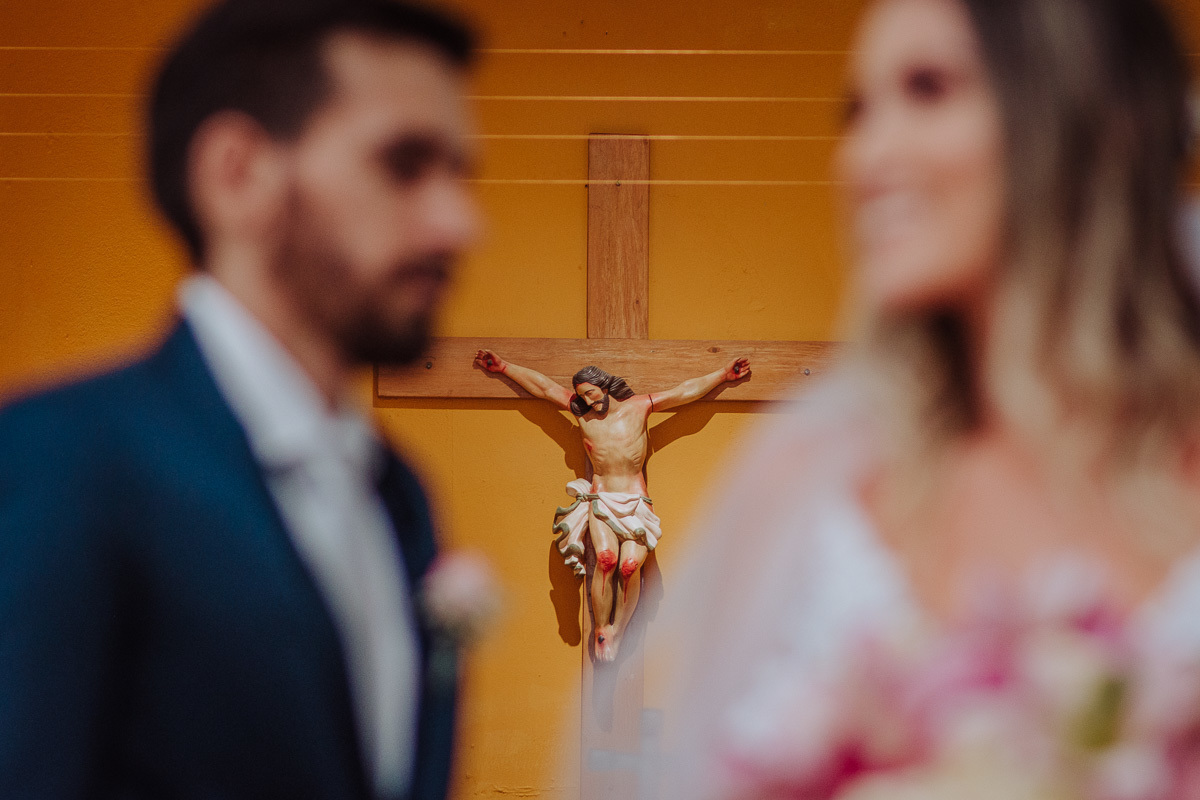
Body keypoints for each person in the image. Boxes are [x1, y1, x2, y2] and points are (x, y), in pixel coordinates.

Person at [658, 0, 1200, 797]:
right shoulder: (810, 493)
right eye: (857, 112)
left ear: (1092, 115)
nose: (869, 155)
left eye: (930, 88)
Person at [0, 1, 480, 798]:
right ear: (238, 173)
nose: (460, 223)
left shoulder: (402, 496)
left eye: (461, 177)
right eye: (404, 165)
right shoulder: (66, 458)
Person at [472, 350, 749, 661]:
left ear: (604, 386)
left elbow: (684, 392)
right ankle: (602, 628)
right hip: (602, 499)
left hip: (636, 503)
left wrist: (723, 375)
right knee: (605, 560)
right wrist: (505, 367)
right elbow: (545, 388)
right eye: (583, 397)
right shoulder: (583, 416)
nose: (589, 401)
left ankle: (619, 628)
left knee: (630, 567)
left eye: (591, 393)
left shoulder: (640, 407)